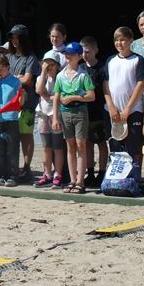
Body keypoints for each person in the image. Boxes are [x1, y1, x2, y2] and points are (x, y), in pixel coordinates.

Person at [52, 42, 96, 193]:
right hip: (65, 113)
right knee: (70, 146)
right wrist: (55, 118)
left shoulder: (83, 75)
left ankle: (80, 181)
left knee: (81, 145)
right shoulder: (60, 75)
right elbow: (56, 97)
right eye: (66, 53)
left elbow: (91, 96)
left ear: (79, 56)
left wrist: (74, 97)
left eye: (71, 54)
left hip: (80, 112)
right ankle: (72, 179)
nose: (67, 56)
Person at [104, 26, 144, 168]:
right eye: (116, 40)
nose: (119, 43)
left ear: (130, 41)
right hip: (114, 113)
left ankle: (135, 179)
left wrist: (128, 109)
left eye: (123, 40)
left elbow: (141, 84)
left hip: (133, 111)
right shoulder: (110, 60)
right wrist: (111, 107)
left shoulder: (137, 59)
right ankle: (118, 180)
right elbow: (105, 84)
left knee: (134, 148)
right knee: (116, 148)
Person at [6, 24, 38, 180]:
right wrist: (18, 78)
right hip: (9, 104)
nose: (14, 40)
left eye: (17, 37)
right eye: (12, 36)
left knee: (26, 135)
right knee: (10, 137)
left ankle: (26, 167)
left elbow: (27, 79)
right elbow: (2, 77)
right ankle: (11, 166)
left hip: (26, 103)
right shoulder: (9, 57)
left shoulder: (30, 57)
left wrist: (14, 79)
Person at [0, 53, 24, 186]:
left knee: (12, 149)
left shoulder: (16, 81)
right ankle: (1, 175)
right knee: (0, 150)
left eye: (1, 70)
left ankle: (13, 176)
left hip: (12, 119)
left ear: (8, 67)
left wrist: (22, 99)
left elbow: (20, 101)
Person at [80, 36, 109, 188]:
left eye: (87, 51)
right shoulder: (80, 68)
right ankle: (90, 173)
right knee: (87, 144)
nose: (85, 55)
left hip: (99, 112)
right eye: (82, 52)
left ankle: (102, 172)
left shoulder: (102, 68)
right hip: (84, 112)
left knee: (102, 144)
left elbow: (105, 90)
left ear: (95, 50)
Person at [34, 52, 63, 188]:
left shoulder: (61, 78)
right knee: (46, 146)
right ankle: (47, 173)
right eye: (47, 64)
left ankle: (58, 173)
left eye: (52, 65)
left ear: (57, 65)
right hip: (43, 113)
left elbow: (59, 97)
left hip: (56, 114)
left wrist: (51, 97)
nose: (49, 67)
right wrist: (44, 72)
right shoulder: (41, 77)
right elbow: (39, 91)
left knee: (57, 146)